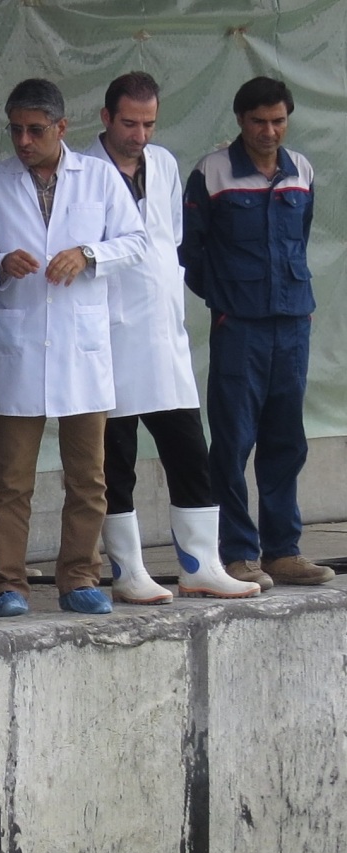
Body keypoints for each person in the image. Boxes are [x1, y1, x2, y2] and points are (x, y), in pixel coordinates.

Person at [0, 77, 147, 618]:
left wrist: (88, 254)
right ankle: (8, 585)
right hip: (21, 346)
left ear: (62, 127)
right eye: (15, 130)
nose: (23, 141)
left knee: (88, 477)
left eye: (35, 129)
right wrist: (0, 264)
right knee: (10, 480)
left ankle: (79, 578)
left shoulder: (97, 177)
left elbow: (137, 241)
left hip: (82, 347)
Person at [84, 72, 259, 603]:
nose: (140, 135)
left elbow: (171, 241)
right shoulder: (83, 172)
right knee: (115, 459)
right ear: (106, 118)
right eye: (129, 124)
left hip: (163, 332)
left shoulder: (162, 163)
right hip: (110, 334)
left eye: (149, 124)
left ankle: (200, 565)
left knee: (189, 451)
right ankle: (128, 571)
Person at [181, 77, 331, 589]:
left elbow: (300, 238)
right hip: (239, 326)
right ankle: (238, 552)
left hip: (292, 323)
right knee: (232, 441)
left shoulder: (301, 169)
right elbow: (191, 252)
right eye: (259, 122)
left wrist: (291, 302)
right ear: (240, 120)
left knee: (286, 440)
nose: (270, 131)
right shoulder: (212, 171)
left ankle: (283, 551)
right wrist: (226, 301)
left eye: (278, 121)